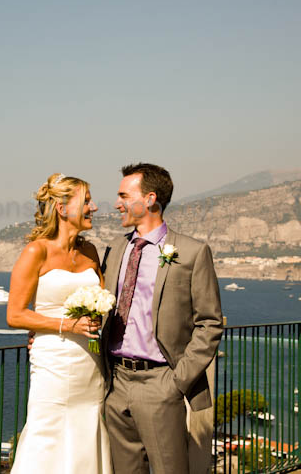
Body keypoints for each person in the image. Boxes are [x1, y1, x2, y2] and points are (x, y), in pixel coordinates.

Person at [100, 163, 223, 474]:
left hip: (160, 383)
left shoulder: (192, 252)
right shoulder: (115, 249)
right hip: (115, 384)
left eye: (124, 195)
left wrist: (177, 381)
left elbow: (210, 322)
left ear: (150, 199)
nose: (117, 204)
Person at [6, 173, 113, 474]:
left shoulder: (90, 251)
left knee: (89, 426)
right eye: (87, 202)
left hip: (90, 361)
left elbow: (102, 303)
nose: (94, 208)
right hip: (53, 362)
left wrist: (94, 316)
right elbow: (15, 314)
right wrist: (65, 326)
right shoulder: (35, 251)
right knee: (48, 433)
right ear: (63, 209)